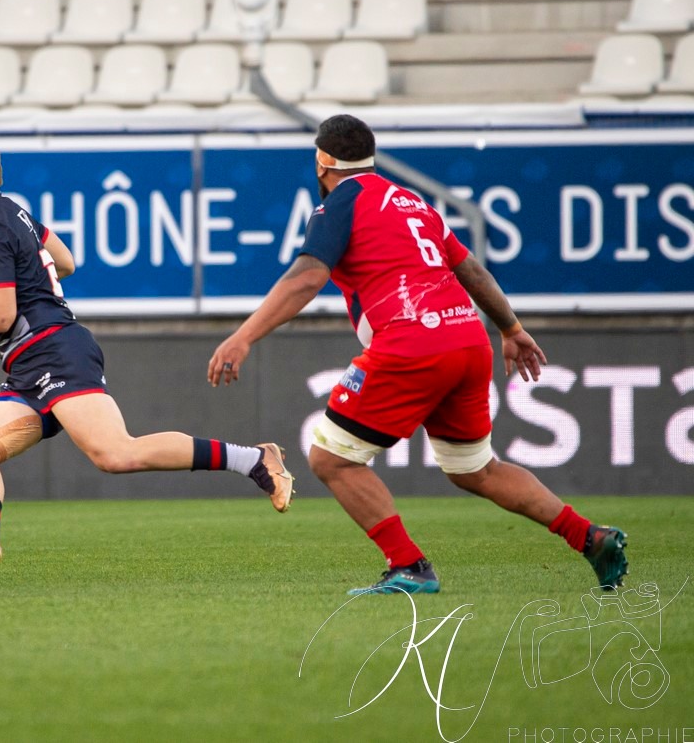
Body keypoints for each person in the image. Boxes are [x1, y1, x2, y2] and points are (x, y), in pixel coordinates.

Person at [207, 114, 629, 595]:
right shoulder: (412, 202)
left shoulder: (339, 204)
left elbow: (307, 276)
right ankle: (589, 536)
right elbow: (468, 267)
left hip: (413, 341)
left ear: (323, 161)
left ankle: (409, 565)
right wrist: (510, 328)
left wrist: (243, 336)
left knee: (330, 458)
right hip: (468, 339)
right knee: (476, 469)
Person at [0, 133, 292, 568]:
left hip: (53, 352)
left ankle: (254, 459)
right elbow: (67, 261)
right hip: (31, 363)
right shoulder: (13, 211)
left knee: (116, 453)